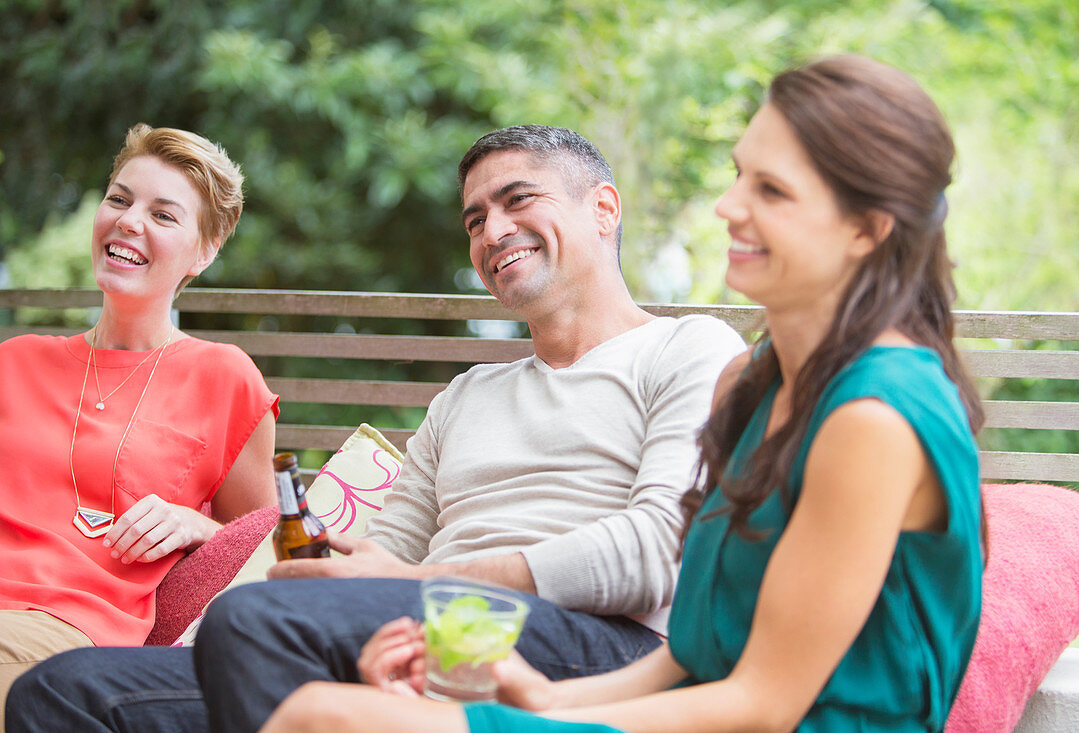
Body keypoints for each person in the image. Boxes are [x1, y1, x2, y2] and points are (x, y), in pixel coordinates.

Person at [258, 54, 987, 733]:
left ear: (867, 228)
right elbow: (694, 653)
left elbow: (764, 701)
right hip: (664, 704)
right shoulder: (753, 385)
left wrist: (539, 718)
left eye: (771, 190)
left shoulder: (874, 417)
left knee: (325, 716)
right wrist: (541, 696)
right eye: (739, 175)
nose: (728, 206)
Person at [7, 125, 744, 732]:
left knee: (255, 619)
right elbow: (384, 553)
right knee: (61, 690)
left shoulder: (689, 348)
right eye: (475, 218)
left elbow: (657, 551)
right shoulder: (466, 395)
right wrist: (330, 573)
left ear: (605, 208)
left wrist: (418, 582)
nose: (493, 230)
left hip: (595, 645)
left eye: (519, 200)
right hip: (427, 630)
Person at [0, 124, 278, 725]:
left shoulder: (223, 376)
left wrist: (196, 525)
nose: (128, 221)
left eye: (164, 214)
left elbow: (263, 543)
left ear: (203, 253)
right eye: (120, 199)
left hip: (67, 634)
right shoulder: (13, 361)